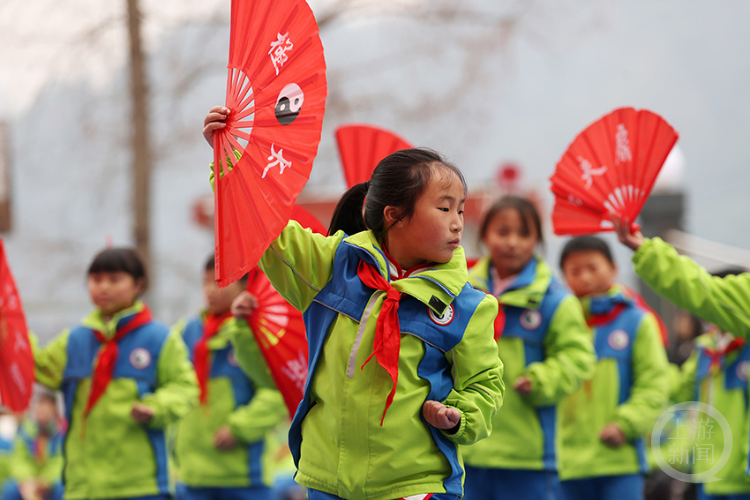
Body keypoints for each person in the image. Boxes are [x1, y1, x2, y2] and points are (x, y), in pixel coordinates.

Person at [206, 107, 504, 500]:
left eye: (461, 209)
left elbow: (486, 385)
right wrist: (229, 158)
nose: (458, 223)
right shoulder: (331, 267)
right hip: (327, 481)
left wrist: (458, 416)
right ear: (394, 215)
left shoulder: (467, 305)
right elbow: (264, 226)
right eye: (445, 207)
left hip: (416, 487)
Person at [33, 248, 198, 500]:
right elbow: (38, 366)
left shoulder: (159, 339)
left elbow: (185, 387)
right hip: (83, 486)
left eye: (114, 279)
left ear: (138, 284)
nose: (103, 287)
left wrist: (156, 407)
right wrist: (9, 333)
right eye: (96, 279)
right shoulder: (75, 340)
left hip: (141, 485)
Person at [460, 196, 595, 500]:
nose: (513, 242)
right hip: (465, 449)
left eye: (524, 234)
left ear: (537, 240)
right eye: (503, 232)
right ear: (484, 236)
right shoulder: (461, 292)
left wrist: (542, 379)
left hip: (529, 457)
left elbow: (579, 358)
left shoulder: (555, 299)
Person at [556, 235, 669, 500]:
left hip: (620, 461)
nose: (584, 277)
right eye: (574, 271)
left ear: (613, 268)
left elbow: (655, 383)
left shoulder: (638, 321)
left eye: (592, 267)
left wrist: (626, 424)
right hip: (564, 463)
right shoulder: (558, 323)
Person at [174, 255, 287, 500]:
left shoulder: (260, 330)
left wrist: (240, 428)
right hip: (193, 474)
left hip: (245, 476)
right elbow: (175, 388)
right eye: (205, 282)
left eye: (218, 282)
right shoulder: (187, 333)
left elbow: (277, 390)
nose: (209, 291)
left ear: (246, 286)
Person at [669, 268, 750, 500]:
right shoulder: (706, 348)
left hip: (742, 476)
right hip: (709, 472)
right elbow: (680, 393)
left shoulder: (746, 348)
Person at [613, 216, 750, 339]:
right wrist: (645, 251)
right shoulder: (706, 350)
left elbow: (704, 292)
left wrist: (646, 252)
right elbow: (705, 291)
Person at [2, 390, 65, 500]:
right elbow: (19, 459)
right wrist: (27, 479)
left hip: (50, 484)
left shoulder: (61, 435)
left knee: (62, 488)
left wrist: (46, 481)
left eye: (47, 408)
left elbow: (61, 462)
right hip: (29, 481)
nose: (43, 412)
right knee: (10, 488)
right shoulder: (26, 432)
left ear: (55, 411)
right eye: (40, 406)